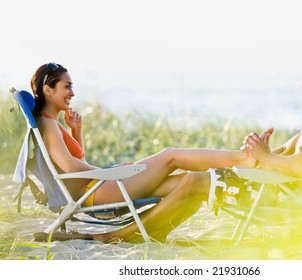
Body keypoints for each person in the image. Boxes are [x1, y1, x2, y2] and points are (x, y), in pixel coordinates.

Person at [87, 51, 302, 243]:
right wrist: (262, 150)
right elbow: (286, 153)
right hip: (273, 185)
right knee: (185, 179)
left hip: (278, 195)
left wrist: (263, 156)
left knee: (193, 182)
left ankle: (117, 235)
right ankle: (146, 225)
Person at [30, 62, 259, 242]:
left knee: (183, 181)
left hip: (95, 188)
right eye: (67, 87)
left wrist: (76, 131)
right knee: (171, 155)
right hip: (96, 192)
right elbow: (70, 168)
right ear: (48, 90)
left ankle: (244, 177)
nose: (72, 93)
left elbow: (74, 162)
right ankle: (244, 159)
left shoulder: (53, 123)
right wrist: (107, 172)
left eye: (72, 87)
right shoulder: (48, 124)